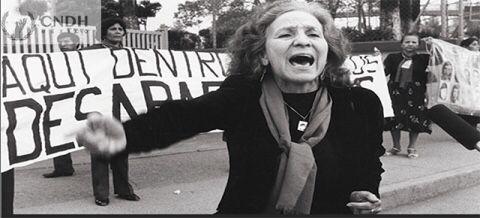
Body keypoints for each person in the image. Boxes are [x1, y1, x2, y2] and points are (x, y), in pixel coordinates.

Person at [76, 1, 385, 215]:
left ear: (327, 51)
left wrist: (366, 192)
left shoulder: (359, 104)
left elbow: (369, 163)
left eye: (312, 34)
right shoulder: (242, 96)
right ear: (262, 54)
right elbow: (183, 117)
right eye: (287, 34)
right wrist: (123, 136)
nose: (302, 41)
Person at [82, 17, 140, 206]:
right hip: (99, 106)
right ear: (105, 32)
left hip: (122, 107)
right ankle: (101, 194)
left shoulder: (130, 54)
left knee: (121, 150)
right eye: (112, 28)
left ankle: (123, 190)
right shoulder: (91, 52)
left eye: (120, 29)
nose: (117, 31)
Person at [383, 33, 431, 158]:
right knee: (394, 118)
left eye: (414, 42)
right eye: (407, 42)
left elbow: (440, 59)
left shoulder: (425, 59)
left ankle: (412, 147)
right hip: (395, 91)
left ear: (418, 44)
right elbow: (383, 72)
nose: (410, 44)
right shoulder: (392, 58)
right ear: (402, 44)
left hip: (416, 92)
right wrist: (376, 61)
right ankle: (396, 146)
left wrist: (432, 44)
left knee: (415, 117)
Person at [42, 32, 79, 178]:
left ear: (76, 43)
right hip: (62, 101)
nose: (64, 43)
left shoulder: (88, 58)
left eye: (68, 40)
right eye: (61, 41)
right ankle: (63, 168)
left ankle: (110, 164)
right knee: (58, 133)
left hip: (86, 100)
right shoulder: (54, 60)